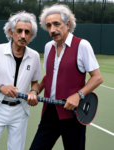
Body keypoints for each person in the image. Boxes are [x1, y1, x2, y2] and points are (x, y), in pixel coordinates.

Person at [29, 4, 103, 150]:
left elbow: (97, 77)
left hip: (73, 115)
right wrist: (34, 91)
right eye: (48, 25)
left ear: (67, 24)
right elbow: (48, 78)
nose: (52, 30)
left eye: (56, 24)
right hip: (49, 113)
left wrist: (78, 95)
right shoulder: (48, 47)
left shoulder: (82, 45)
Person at [0, 11, 42, 150]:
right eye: (19, 31)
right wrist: (1, 87)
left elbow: (35, 82)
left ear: (31, 36)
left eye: (27, 32)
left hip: (20, 112)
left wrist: (34, 91)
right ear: (11, 32)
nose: (23, 35)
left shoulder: (35, 56)